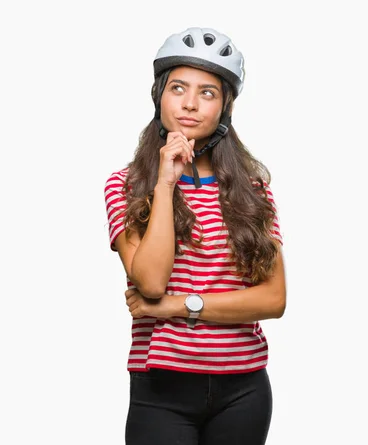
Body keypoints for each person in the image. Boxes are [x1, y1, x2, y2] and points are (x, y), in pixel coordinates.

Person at [103, 26, 286, 445]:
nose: (189, 103)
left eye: (207, 93)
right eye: (178, 88)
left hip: (244, 388)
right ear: (159, 97)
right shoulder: (126, 184)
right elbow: (148, 281)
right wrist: (165, 185)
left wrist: (173, 306)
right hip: (162, 389)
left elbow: (273, 299)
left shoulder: (252, 189)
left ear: (226, 108)